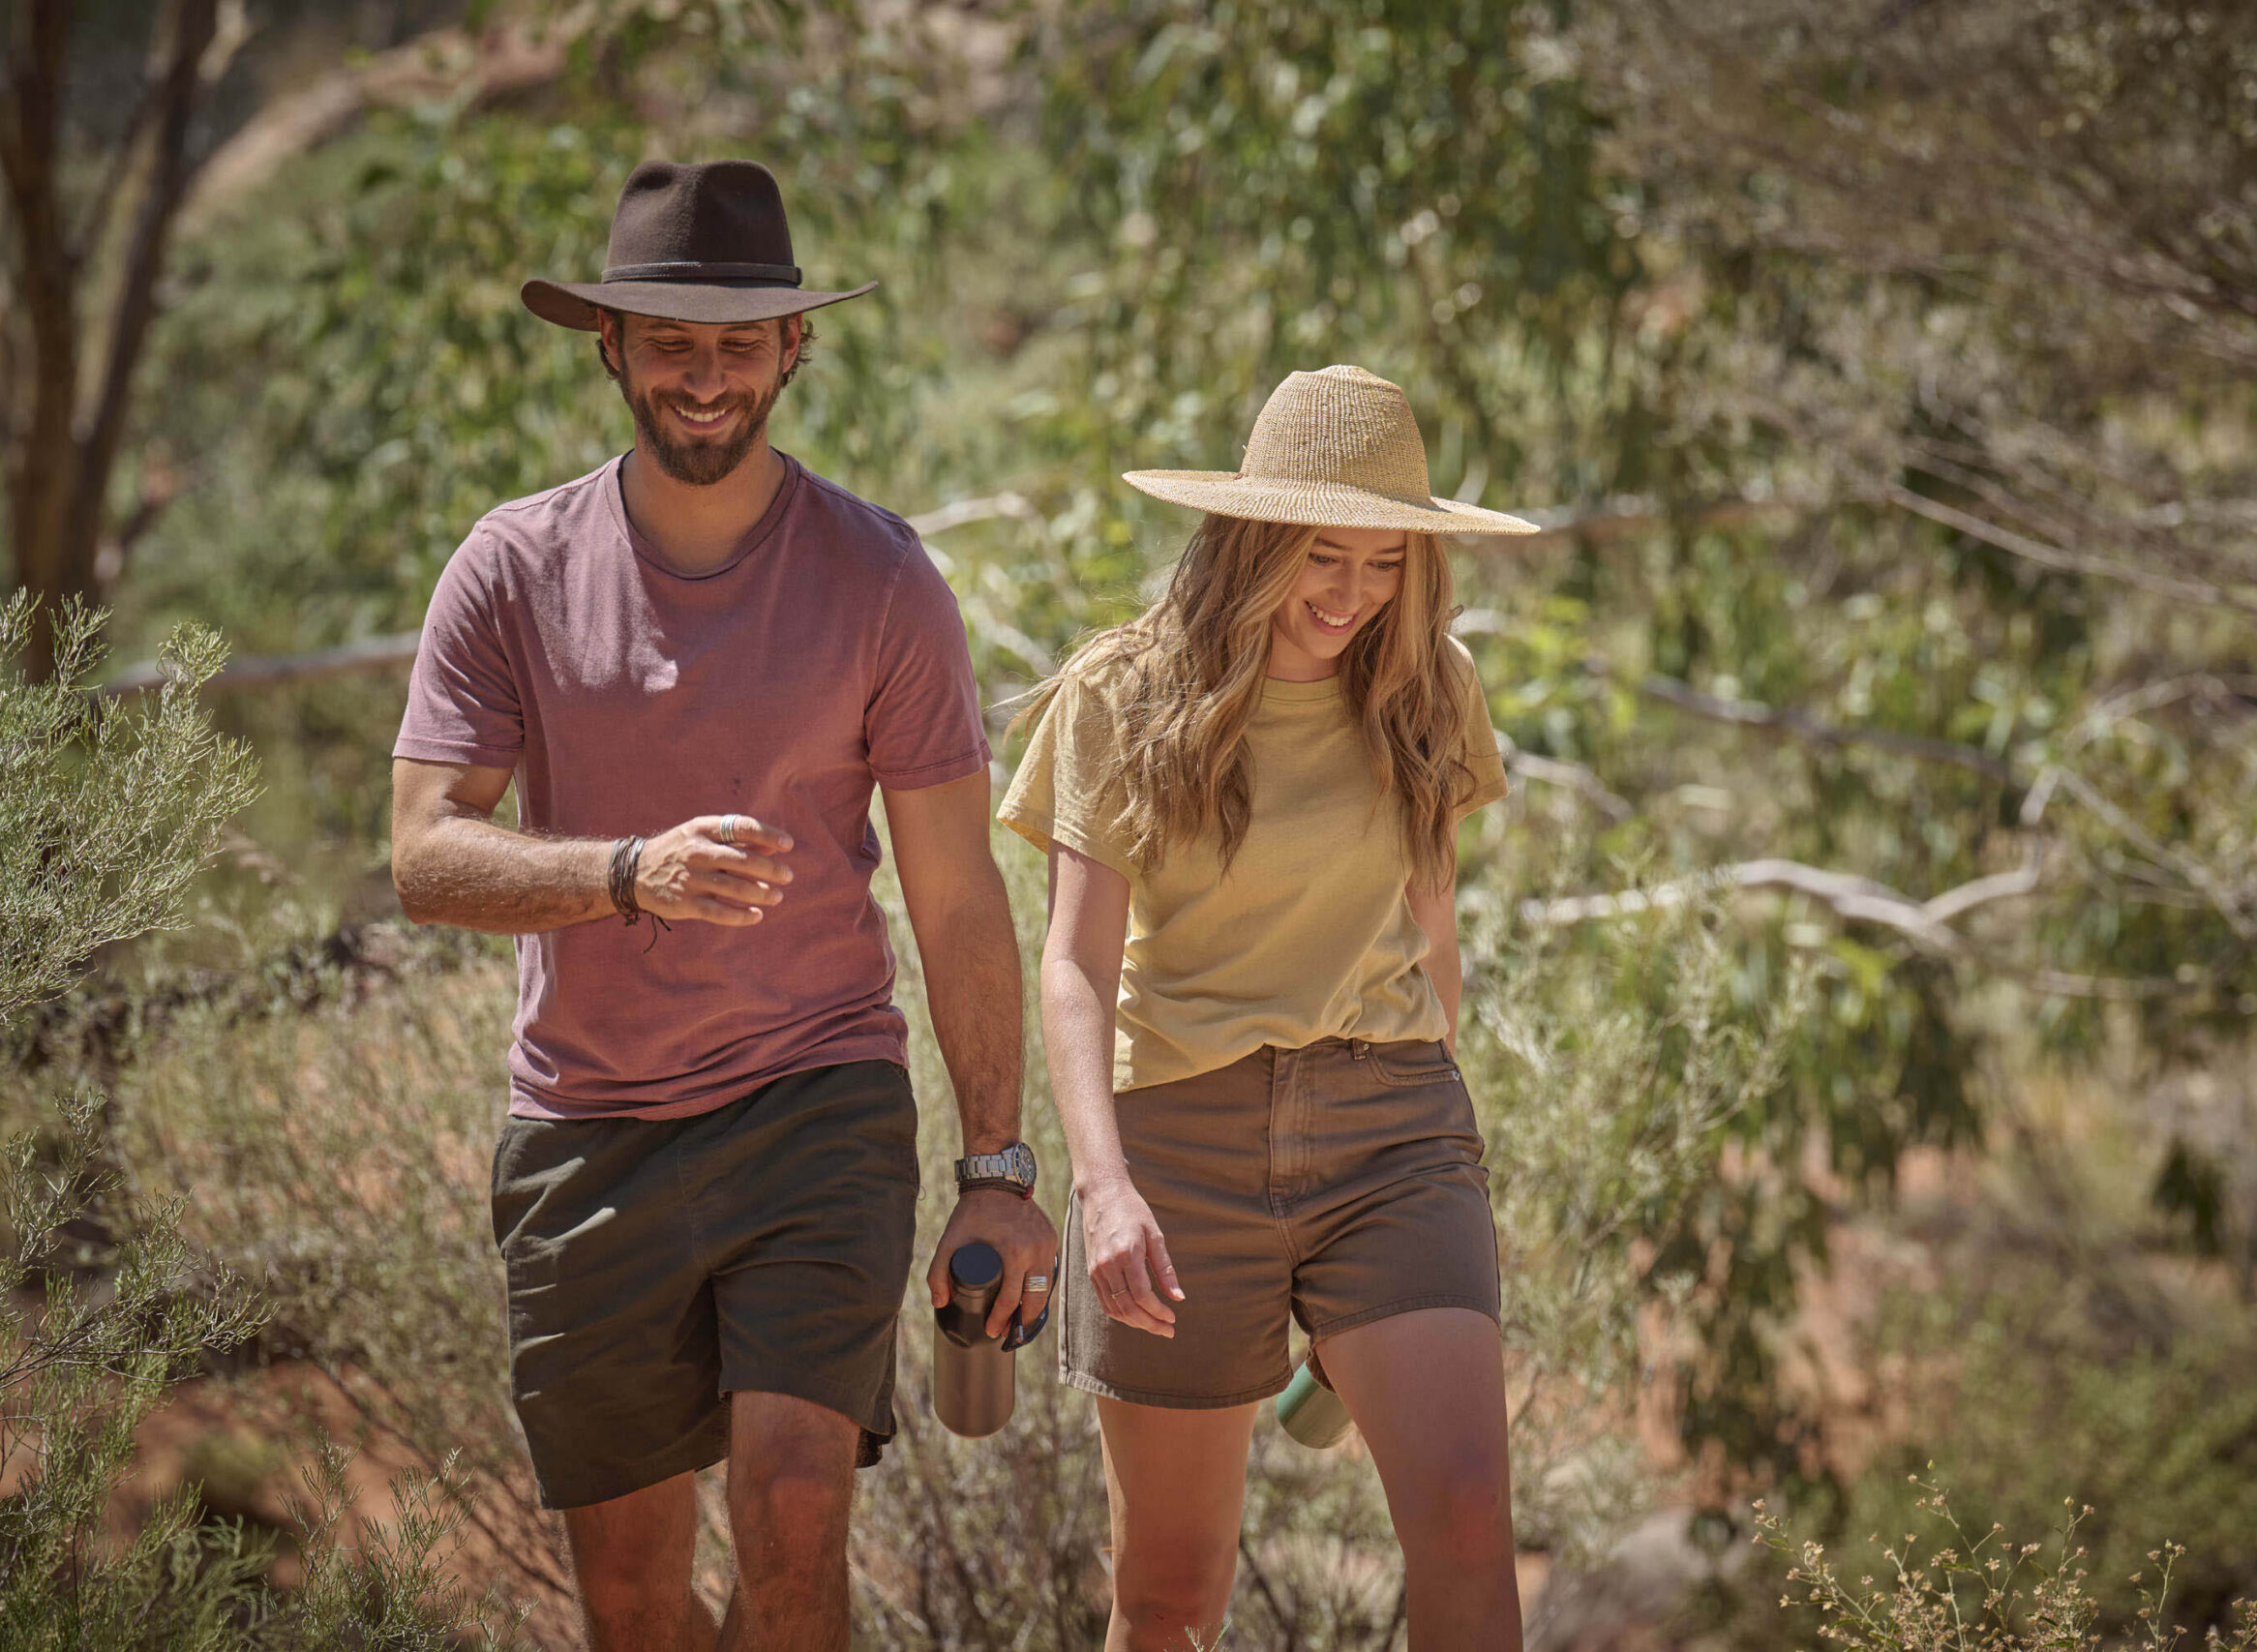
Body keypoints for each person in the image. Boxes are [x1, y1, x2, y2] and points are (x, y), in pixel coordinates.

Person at [389, 159, 1056, 1652]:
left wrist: (999, 1165)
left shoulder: (883, 581)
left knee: (796, 1515)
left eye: (740, 344)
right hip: (584, 1128)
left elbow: (956, 901)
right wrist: (627, 876)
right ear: (609, 346)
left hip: (814, 1103)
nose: (707, 377)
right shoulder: (511, 570)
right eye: (673, 343)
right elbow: (426, 856)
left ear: (795, 350)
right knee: (632, 1608)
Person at [998, 365, 1540, 1650]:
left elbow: (1434, 931)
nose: (1349, 595)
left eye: (1384, 563)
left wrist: (1454, 1132)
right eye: (1319, 556)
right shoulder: (1123, 695)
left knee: (1468, 1520)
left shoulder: (1428, 693)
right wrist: (1103, 1185)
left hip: (1392, 1132)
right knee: (1172, 1597)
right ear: (1250, 542)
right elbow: (1073, 962)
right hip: (1179, 1147)